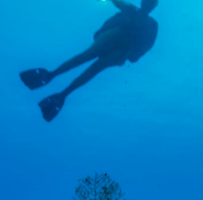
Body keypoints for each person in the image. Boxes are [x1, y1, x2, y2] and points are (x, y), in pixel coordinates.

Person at [19, 0, 159, 121]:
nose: (148, 3)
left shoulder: (140, 16)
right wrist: (134, 55)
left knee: (89, 62)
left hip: (119, 46)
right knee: (91, 65)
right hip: (119, 46)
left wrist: (102, 34)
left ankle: (56, 81)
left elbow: (144, 44)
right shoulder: (142, 18)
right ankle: (58, 85)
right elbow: (145, 46)